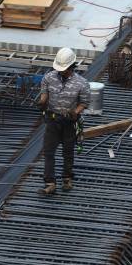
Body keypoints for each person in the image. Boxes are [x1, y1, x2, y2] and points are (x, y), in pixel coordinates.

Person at [37, 47, 90, 194]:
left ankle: (67, 178)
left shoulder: (82, 83)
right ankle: (50, 182)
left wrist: (75, 112)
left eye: (64, 69)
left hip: (69, 123)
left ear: (72, 66)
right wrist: (42, 102)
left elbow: (84, 103)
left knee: (68, 151)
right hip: (53, 120)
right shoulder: (48, 78)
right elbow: (44, 95)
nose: (61, 71)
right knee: (48, 152)